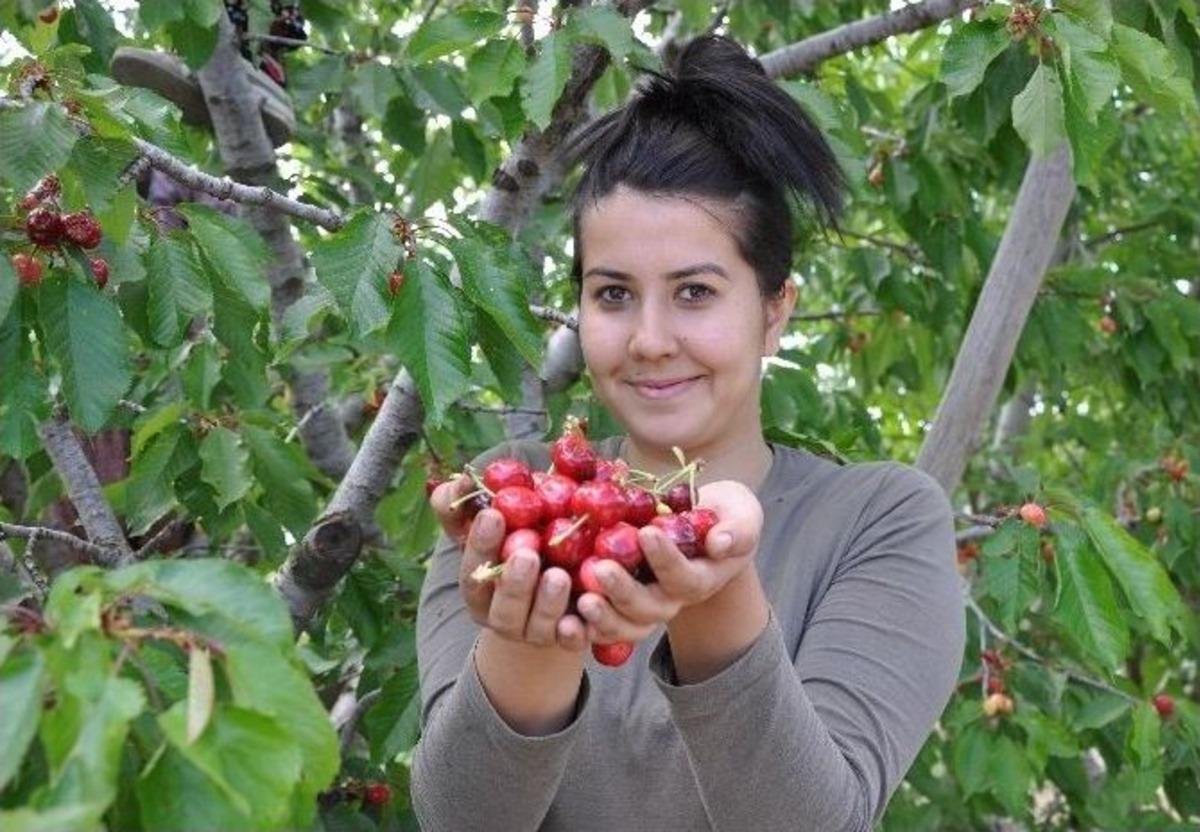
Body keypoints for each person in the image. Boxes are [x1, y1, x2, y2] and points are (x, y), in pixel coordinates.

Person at [412, 34, 964, 831]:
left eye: (696, 293)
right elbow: (461, 821)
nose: (649, 339)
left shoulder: (879, 519)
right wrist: (532, 635)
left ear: (775, 312)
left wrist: (716, 588)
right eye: (613, 295)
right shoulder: (508, 501)